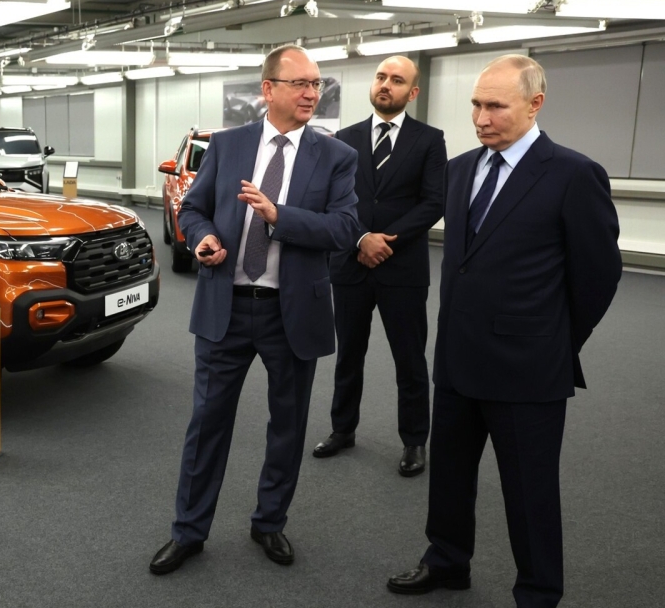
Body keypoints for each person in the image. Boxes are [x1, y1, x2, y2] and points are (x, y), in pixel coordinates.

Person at [387, 55, 621, 607]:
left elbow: (598, 275)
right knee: (449, 476)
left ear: (535, 104)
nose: (481, 118)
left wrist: (555, 341)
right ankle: (447, 560)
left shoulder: (573, 174)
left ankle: (537, 592)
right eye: (475, 104)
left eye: (495, 106)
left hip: (528, 368)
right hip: (458, 358)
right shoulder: (461, 169)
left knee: (528, 490)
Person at [149, 45, 359, 574]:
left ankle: (269, 522)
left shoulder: (336, 156)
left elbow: (344, 229)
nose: (311, 93)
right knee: (207, 423)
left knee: (287, 424)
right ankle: (188, 531)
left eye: (316, 84)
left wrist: (278, 216)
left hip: (292, 312)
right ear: (269, 89)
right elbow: (194, 209)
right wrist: (202, 239)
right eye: (300, 83)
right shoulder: (228, 145)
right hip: (226, 305)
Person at [312, 56, 446, 476]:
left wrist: (385, 241)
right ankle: (342, 429)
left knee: (410, 359)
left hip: (401, 267)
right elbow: (332, 200)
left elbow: (434, 202)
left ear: (413, 92)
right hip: (350, 264)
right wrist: (360, 239)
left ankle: (414, 440)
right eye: (381, 77)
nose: (386, 84)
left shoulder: (429, 140)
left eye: (397, 80)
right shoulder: (344, 139)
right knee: (348, 355)